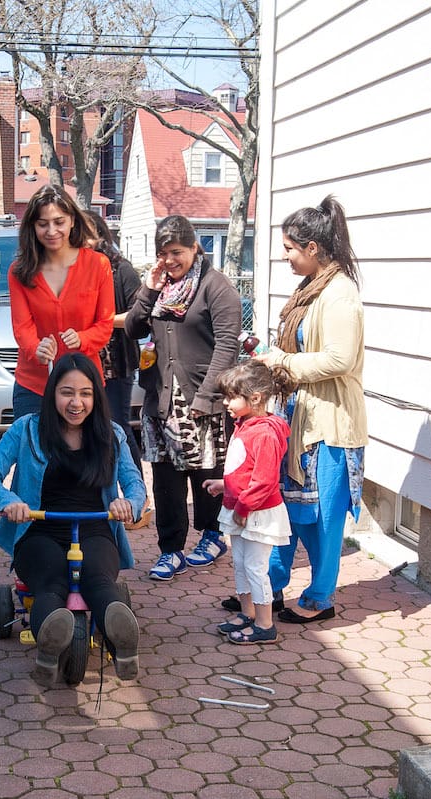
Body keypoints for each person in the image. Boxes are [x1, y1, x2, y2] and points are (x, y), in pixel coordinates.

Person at [0, 353, 146, 688]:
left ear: (96, 396)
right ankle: (49, 646)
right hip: (39, 528)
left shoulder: (111, 435)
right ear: (52, 393)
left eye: (85, 393)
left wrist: (129, 503)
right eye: (67, 392)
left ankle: (122, 642)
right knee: (51, 581)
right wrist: (10, 502)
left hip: (95, 527)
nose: (76, 402)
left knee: (99, 580)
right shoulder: (26, 429)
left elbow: (135, 484)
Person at [256, 196, 367, 625]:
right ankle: (271, 587)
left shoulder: (340, 295)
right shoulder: (310, 290)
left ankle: (321, 596)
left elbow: (339, 359)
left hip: (329, 424)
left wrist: (282, 363)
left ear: (313, 249)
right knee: (289, 506)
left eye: (289, 248)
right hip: (298, 417)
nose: (284, 256)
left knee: (322, 516)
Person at [124, 215, 242, 581]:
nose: (170, 260)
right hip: (160, 398)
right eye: (163, 254)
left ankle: (212, 535)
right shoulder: (162, 287)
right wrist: (148, 289)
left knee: (206, 474)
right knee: (165, 479)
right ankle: (170, 549)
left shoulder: (216, 286)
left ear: (194, 247)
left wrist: (208, 395)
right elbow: (132, 327)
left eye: (176, 252)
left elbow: (227, 344)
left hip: (201, 397)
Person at [202, 361, 292, 644]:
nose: (227, 403)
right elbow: (244, 470)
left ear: (255, 398)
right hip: (242, 509)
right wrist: (225, 485)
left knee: (254, 567)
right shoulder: (246, 424)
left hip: (256, 513)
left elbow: (264, 481)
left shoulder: (265, 433)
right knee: (240, 563)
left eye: (232, 397)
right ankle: (247, 612)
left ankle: (265, 625)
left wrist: (242, 506)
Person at [8, 185, 115, 420]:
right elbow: (22, 327)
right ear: (32, 227)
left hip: (83, 385)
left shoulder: (98, 265)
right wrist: (36, 348)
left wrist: (83, 338)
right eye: (42, 223)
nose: (51, 230)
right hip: (34, 385)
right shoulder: (19, 271)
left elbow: (105, 324)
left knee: (85, 455)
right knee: (33, 454)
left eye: (59, 222)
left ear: (72, 221)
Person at [87, 212, 143, 472]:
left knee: (117, 426)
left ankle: (136, 492)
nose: (83, 241)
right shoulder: (72, 269)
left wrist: (102, 323)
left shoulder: (121, 269)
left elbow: (140, 314)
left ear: (100, 234)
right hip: (82, 363)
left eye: (87, 234)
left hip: (115, 364)